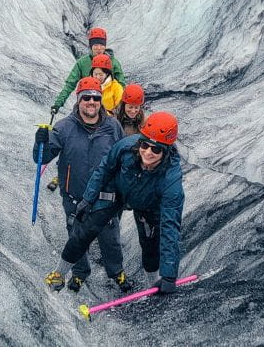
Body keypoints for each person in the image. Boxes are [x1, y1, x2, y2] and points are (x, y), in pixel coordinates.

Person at [44, 112, 184, 296]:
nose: (148, 152)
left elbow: (170, 226)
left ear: (166, 151)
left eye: (156, 150)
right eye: (145, 145)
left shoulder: (171, 179)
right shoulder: (126, 146)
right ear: (140, 141)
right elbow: (104, 168)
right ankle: (59, 273)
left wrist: (169, 276)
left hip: (149, 203)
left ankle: (155, 284)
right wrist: (88, 198)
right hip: (117, 190)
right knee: (85, 229)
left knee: (151, 245)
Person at [34, 77, 131, 293]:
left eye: (95, 97)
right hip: (74, 197)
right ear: (78, 100)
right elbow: (42, 159)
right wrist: (40, 142)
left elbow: (125, 159)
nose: (91, 101)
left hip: (106, 198)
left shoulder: (113, 127)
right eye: (86, 97)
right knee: (76, 237)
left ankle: (116, 272)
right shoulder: (64, 127)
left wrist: (125, 191)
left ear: (101, 100)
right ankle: (79, 273)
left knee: (111, 239)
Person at [51, 28, 125, 116]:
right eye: (95, 45)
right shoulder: (82, 63)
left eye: (101, 45)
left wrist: (118, 113)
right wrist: (58, 104)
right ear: (91, 46)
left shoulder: (114, 63)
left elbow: (121, 86)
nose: (99, 48)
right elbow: (70, 85)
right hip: (88, 102)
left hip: (109, 107)